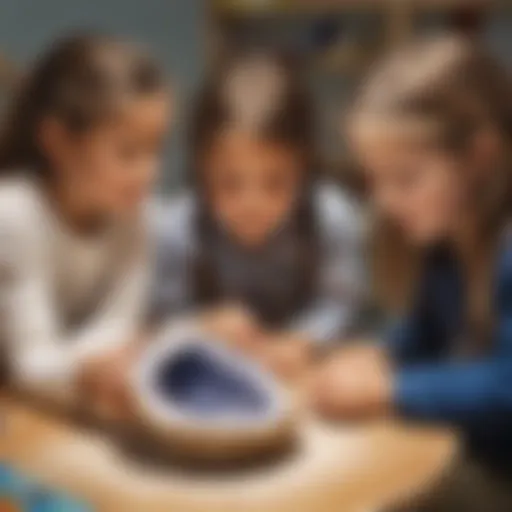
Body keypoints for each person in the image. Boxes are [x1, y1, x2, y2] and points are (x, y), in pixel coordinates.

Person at [312, 35, 512, 511]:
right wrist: (382, 356)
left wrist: (391, 389)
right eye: (374, 179)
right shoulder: (445, 238)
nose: (384, 201)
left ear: (479, 157)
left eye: (405, 178)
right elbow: (426, 329)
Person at [148, 53, 365, 379]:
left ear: (303, 167)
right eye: (230, 183)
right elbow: (162, 316)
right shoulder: (177, 229)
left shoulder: (331, 218)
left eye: (276, 182)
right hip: (212, 378)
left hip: (309, 376)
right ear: (201, 171)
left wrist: (302, 340)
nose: (253, 203)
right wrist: (201, 327)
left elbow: (339, 304)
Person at [0, 33, 172, 414]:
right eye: (128, 153)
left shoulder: (139, 215)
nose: (149, 172)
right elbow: (30, 364)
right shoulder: (14, 217)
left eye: (156, 148)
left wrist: (108, 356)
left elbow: (120, 327)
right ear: (58, 142)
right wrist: (96, 362)